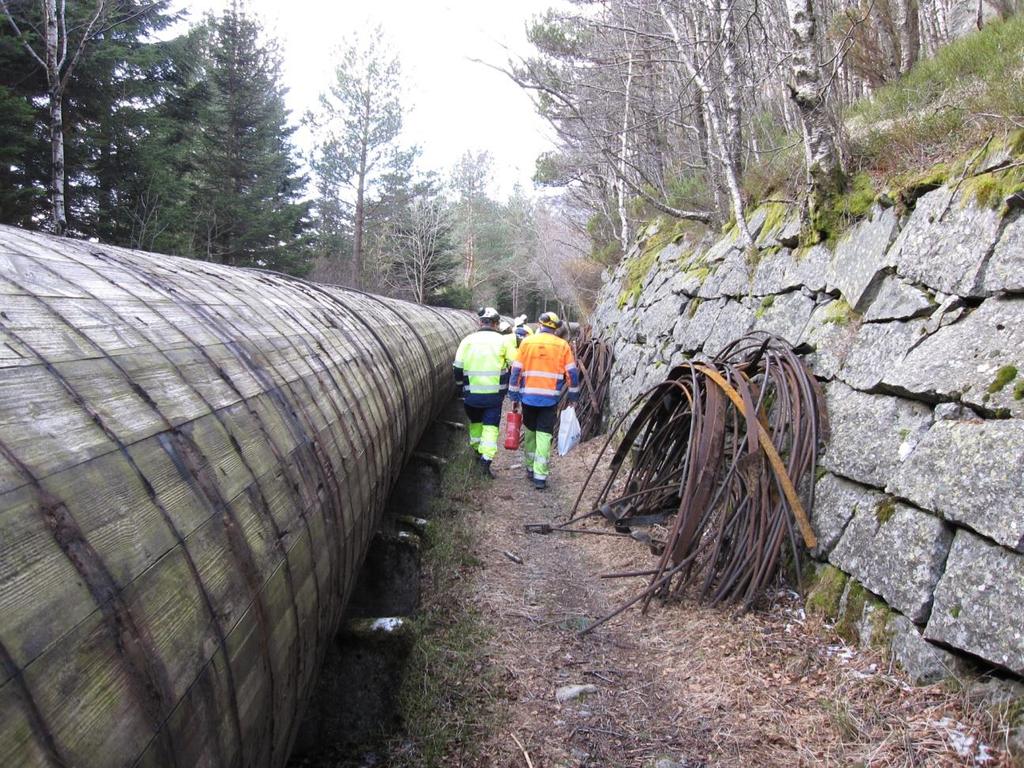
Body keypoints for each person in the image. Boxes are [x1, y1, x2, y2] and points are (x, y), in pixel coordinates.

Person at [508, 311, 580, 490]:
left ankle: (530, 468)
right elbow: (571, 373)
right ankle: (540, 476)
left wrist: (514, 396)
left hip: (528, 398)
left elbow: (516, 371)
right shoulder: (562, 345)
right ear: (556, 328)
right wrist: (573, 397)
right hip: (549, 399)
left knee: (530, 431)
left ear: (540, 324)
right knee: (544, 435)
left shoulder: (527, 342)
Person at [453, 307, 518, 477]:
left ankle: (477, 451)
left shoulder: (467, 340)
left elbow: (457, 367)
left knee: (475, 422)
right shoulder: (503, 342)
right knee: (490, 427)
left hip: (471, 395)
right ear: (496, 324)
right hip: (494, 397)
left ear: (480, 322)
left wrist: (460, 386)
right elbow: (516, 364)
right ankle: (485, 461)